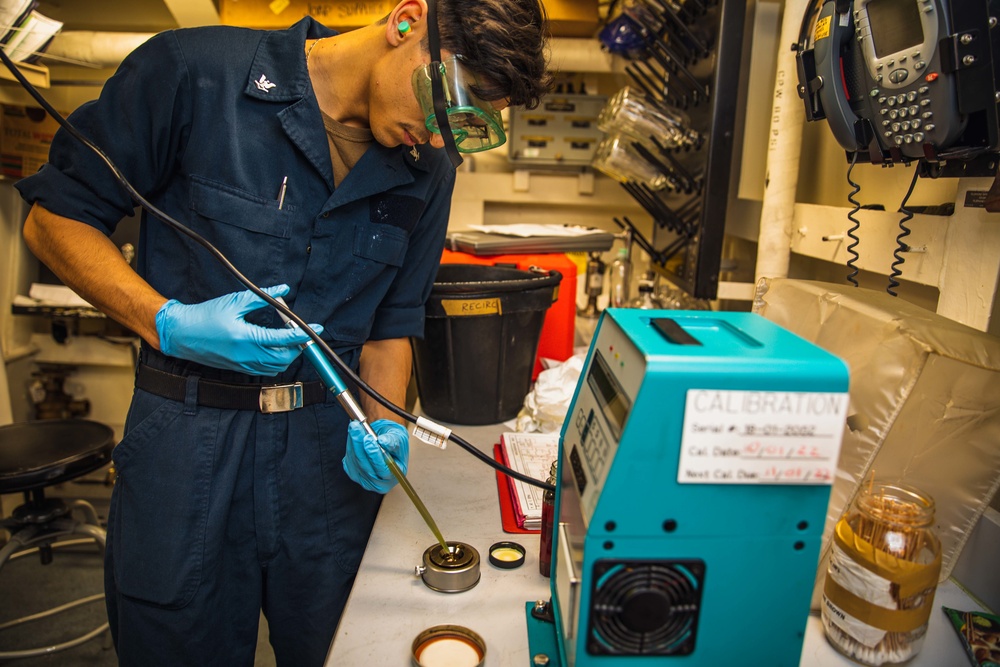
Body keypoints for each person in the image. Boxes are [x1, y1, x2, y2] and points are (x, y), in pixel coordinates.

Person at [16, 1, 551, 664]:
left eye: (463, 128)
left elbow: (391, 323)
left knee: (350, 644)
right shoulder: (194, 74)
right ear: (407, 22)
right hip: (186, 446)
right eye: (444, 105)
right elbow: (55, 220)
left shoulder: (428, 168)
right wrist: (167, 322)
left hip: (328, 459)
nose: (440, 140)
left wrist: (381, 424)